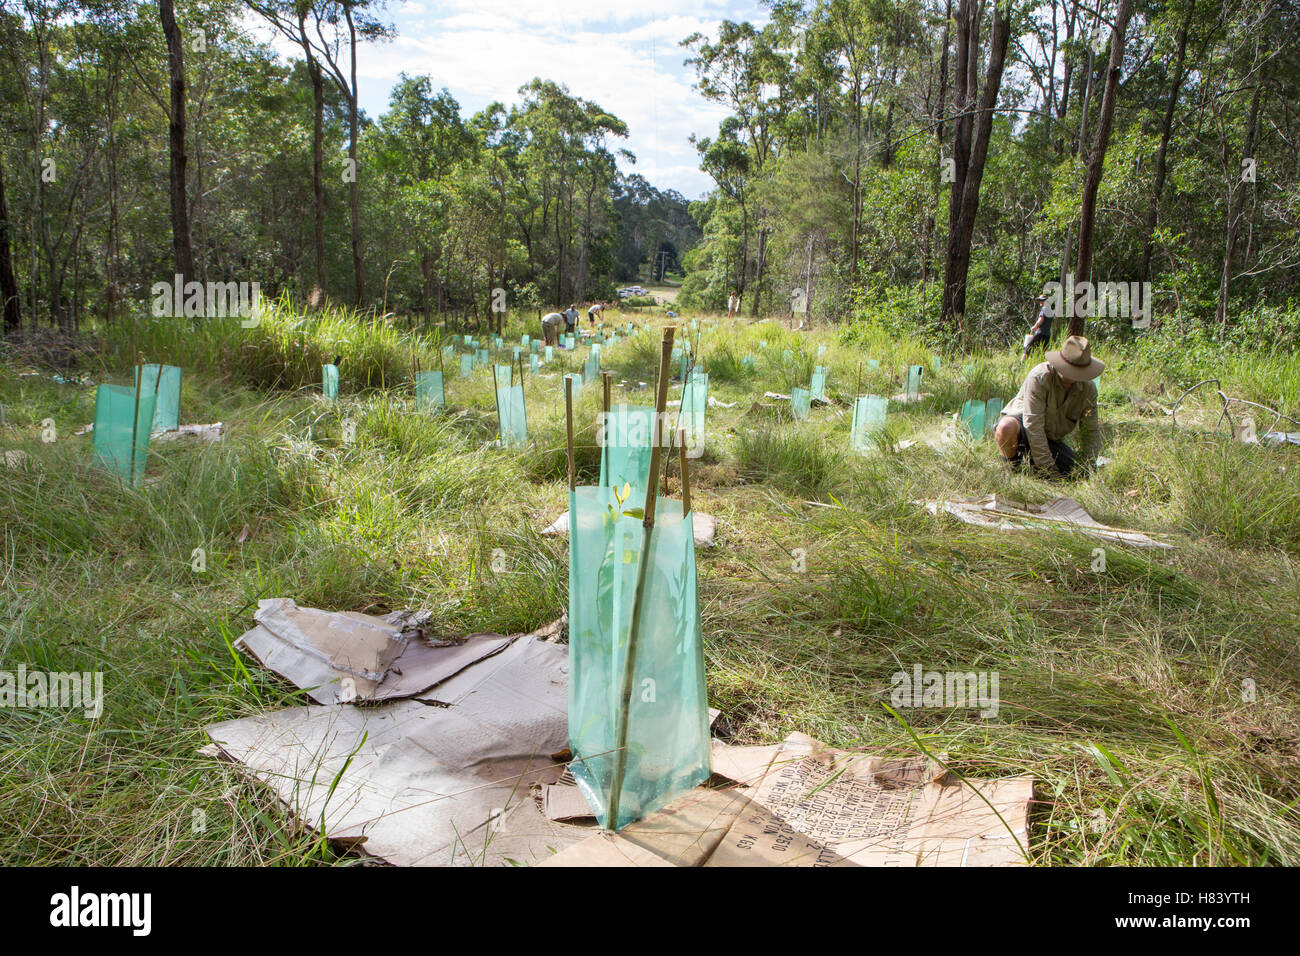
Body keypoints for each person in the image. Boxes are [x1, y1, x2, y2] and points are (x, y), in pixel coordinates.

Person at [994, 334, 1103, 480]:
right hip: (1023, 431)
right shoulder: (1040, 378)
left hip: (1051, 440)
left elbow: (1091, 431)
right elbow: (1033, 426)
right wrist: (1049, 470)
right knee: (1006, 427)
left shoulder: (1088, 389)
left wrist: (1087, 466)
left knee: (1076, 475)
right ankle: (1012, 468)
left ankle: (1034, 467)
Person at [1022, 293, 1054, 360]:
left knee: (1028, 348)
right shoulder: (1051, 311)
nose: (1041, 302)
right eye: (1040, 300)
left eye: (1042, 300)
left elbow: (1040, 321)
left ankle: (1021, 363)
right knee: (1043, 352)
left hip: (1040, 333)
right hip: (1047, 335)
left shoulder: (1044, 309)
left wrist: (1034, 327)